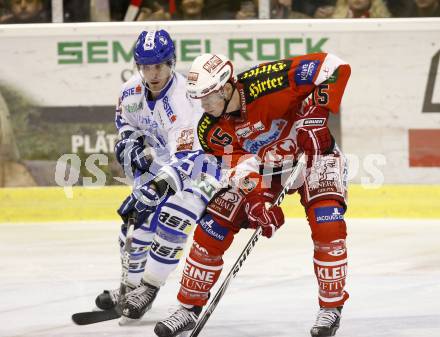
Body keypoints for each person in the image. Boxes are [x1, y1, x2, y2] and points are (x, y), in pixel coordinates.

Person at [152, 52, 351, 337]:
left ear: (225, 86)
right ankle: (187, 308)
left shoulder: (267, 81)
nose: (204, 105)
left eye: (208, 96)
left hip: (314, 153)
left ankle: (330, 308)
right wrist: (257, 201)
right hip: (264, 167)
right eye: (199, 98)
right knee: (213, 224)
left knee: (327, 223)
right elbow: (239, 168)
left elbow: (334, 66)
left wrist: (316, 116)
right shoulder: (210, 128)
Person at [94, 29, 219, 324]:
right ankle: (130, 287)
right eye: (146, 66)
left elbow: (188, 156)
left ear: (171, 63)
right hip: (164, 162)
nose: (152, 73)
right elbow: (125, 123)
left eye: (159, 66)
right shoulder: (130, 91)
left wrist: (156, 187)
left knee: (171, 221)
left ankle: (149, 289)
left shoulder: (184, 97)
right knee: (134, 225)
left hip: (204, 163)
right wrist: (129, 143)